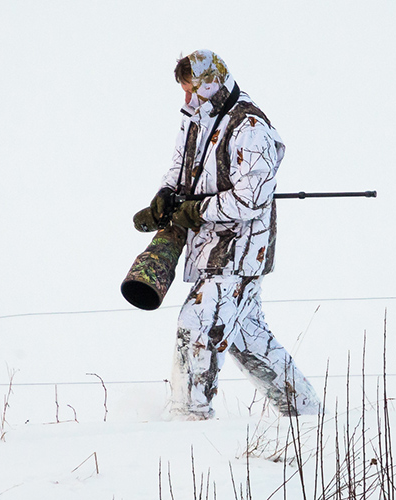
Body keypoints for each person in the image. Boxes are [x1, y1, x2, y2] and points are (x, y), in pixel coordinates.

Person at [133, 50, 321, 420]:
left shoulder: (249, 127)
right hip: (211, 246)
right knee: (249, 340)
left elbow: (251, 199)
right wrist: (165, 197)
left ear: (211, 82)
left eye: (192, 90)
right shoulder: (195, 120)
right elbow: (179, 167)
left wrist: (196, 211)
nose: (187, 99)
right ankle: (307, 413)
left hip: (240, 249)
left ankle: (190, 419)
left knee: (198, 322)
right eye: (184, 91)